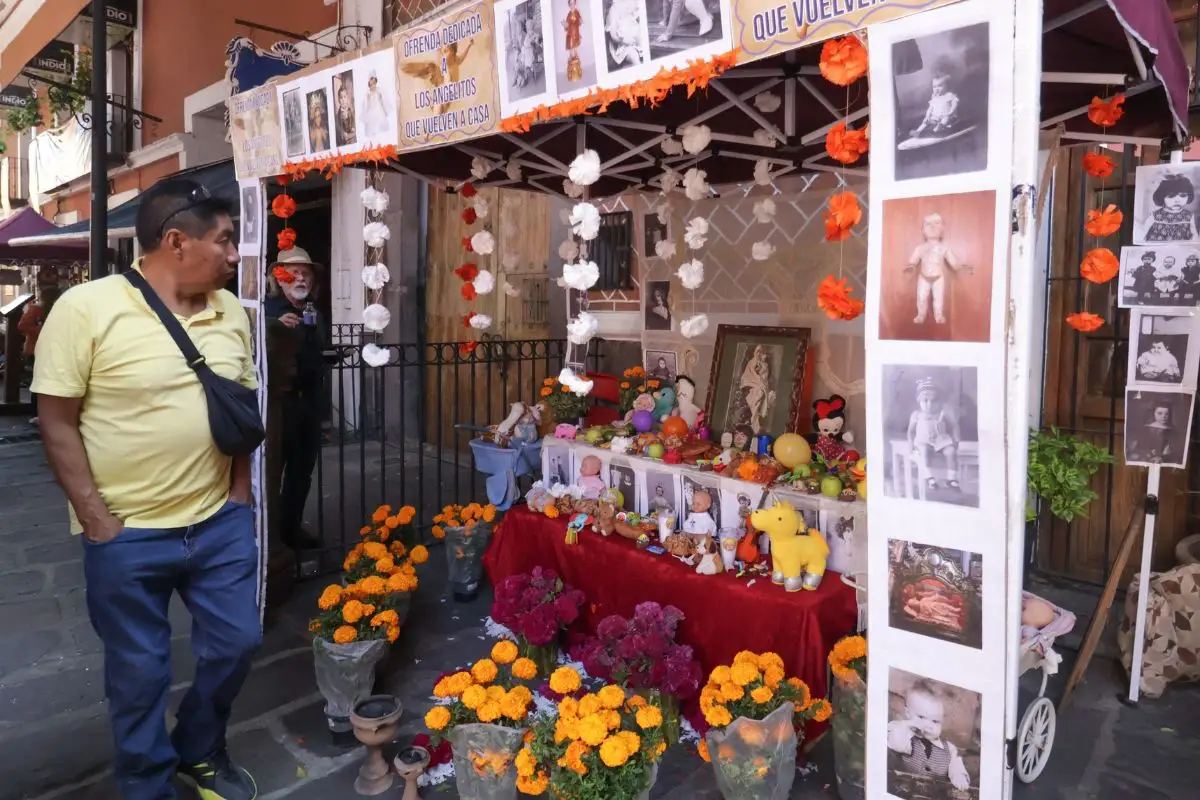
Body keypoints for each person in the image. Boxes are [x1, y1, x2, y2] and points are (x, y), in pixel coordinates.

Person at [32, 179, 260, 800]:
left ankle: (199, 746)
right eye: (225, 240)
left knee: (237, 643)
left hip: (219, 523)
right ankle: (147, 781)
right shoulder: (86, 309)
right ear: (176, 241)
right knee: (138, 673)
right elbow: (56, 420)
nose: (234, 254)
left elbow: (241, 407)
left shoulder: (231, 312)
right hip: (127, 532)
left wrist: (240, 493)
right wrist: (97, 519)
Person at [265, 247, 327, 550]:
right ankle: (269, 535)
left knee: (302, 472)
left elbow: (317, 351)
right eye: (294, 273)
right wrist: (274, 325)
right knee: (273, 470)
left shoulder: (315, 311)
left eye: (306, 273)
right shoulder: (268, 309)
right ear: (280, 277)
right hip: (281, 404)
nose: (301, 278)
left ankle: (291, 529)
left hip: (309, 402)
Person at [886, 680, 972, 791]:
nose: (928, 725)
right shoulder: (906, 738)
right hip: (904, 791)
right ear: (908, 713)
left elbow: (957, 767)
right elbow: (895, 742)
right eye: (921, 717)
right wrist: (909, 724)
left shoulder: (950, 749)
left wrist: (959, 776)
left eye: (935, 721)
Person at [904, 212, 970, 326]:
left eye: (936, 223)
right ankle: (921, 315)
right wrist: (910, 267)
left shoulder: (944, 248)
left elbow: (953, 262)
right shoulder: (920, 248)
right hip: (923, 277)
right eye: (928, 224)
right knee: (921, 297)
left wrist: (960, 267)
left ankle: (938, 315)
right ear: (923, 231)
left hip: (938, 277)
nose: (932, 226)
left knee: (938, 298)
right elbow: (913, 261)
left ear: (942, 229)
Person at [907, 377, 962, 492]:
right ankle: (929, 477)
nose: (930, 404)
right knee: (924, 451)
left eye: (934, 401)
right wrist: (911, 444)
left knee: (951, 451)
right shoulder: (917, 415)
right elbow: (911, 431)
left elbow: (954, 426)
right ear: (919, 401)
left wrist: (956, 439)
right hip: (923, 440)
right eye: (925, 401)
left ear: (939, 402)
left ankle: (951, 479)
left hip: (941, 440)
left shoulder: (942, 413)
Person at [1140, 173, 1199, 243]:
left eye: (1183, 196)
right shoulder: (1154, 216)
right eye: (1171, 196)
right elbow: (1141, 234)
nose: (1177, 200)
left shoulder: (1189, 216)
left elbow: (1195, 237)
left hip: (1181, 248)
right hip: (1158, 247)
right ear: (1162, 197)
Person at [17, 293, 45, 425]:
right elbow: (22, 325)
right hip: (35, 350)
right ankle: (35, 413)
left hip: (47, 349)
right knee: (38, 381)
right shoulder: (36, 308)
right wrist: (41, 331)